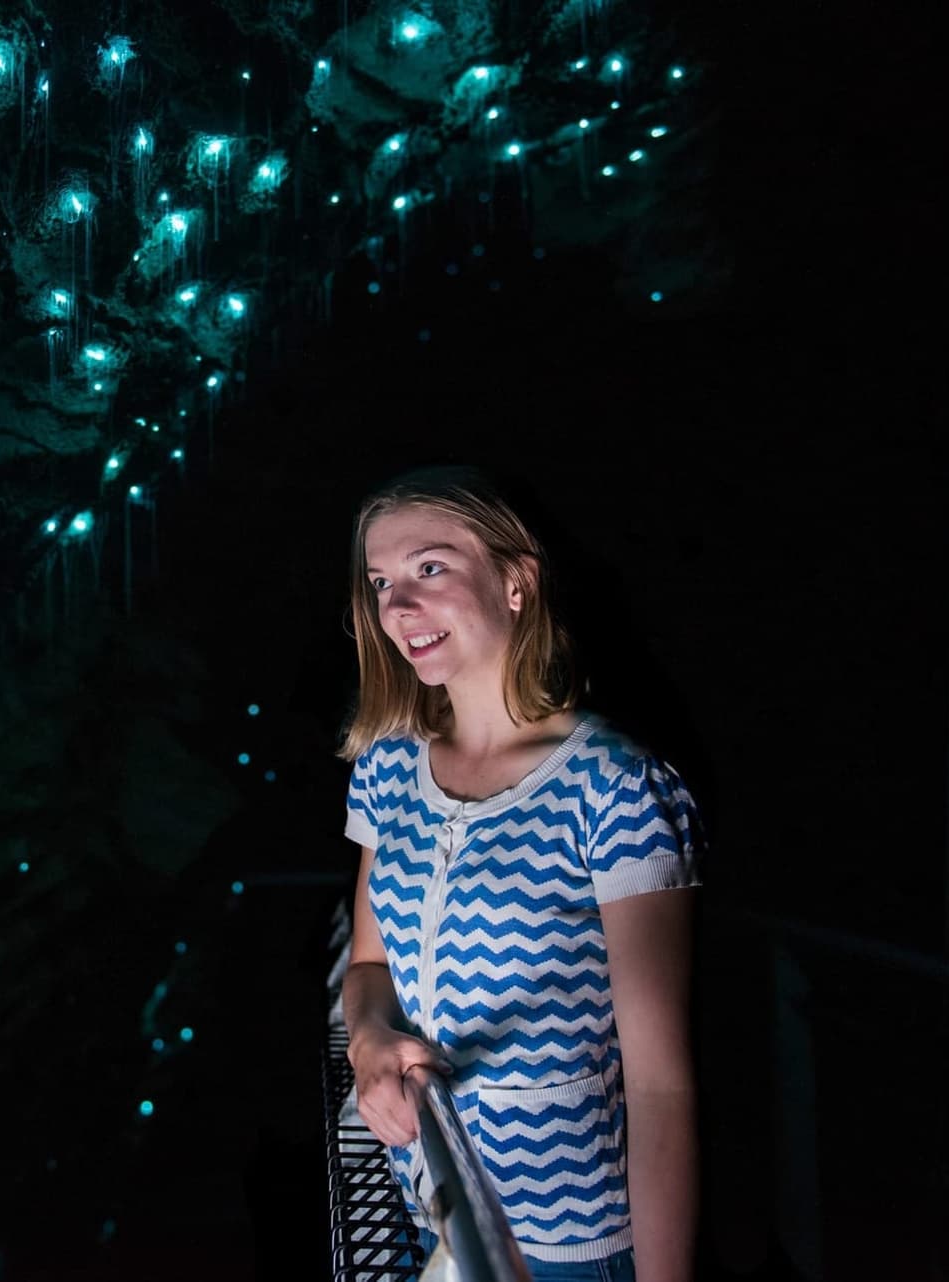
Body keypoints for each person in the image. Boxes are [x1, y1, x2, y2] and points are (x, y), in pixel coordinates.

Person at [339, 467, 702, 1282]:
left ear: (516, 581)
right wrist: (368, 1041)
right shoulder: (387, 770)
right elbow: (368, 967)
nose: (397, 606)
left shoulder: (614, 787)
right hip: (434, 1209)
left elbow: (661, 1086)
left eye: (429, 569)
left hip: (575, 1248)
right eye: (381, 582)